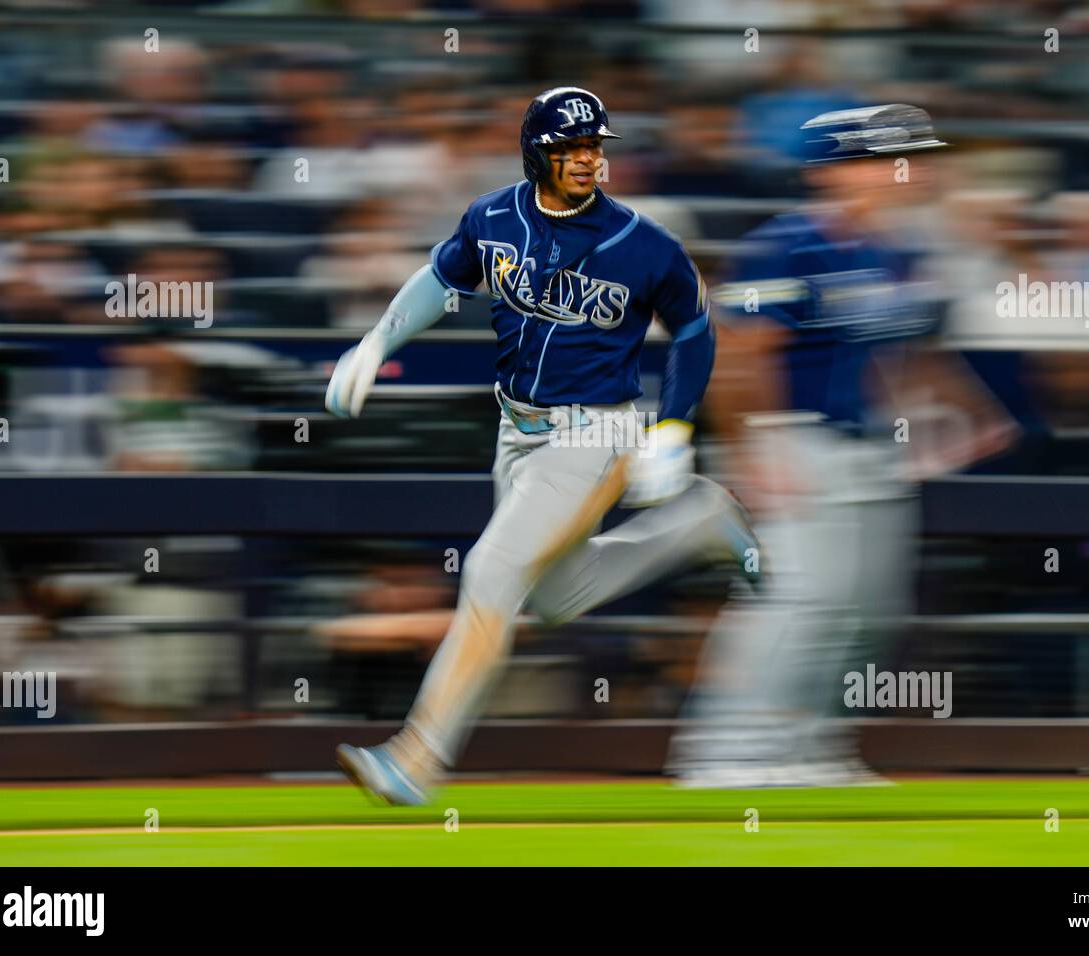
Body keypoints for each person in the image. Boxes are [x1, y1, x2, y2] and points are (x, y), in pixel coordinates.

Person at [326, 87, 756, 805]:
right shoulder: (492, 215)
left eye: (594, 146)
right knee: (556, 595)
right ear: (537, 152)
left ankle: (418, 755)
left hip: (598, 432)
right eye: (570, 148)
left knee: (492, 572)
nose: (586, 159)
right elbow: (442, 278)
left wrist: (676, 425)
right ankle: (698, 523)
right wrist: (378, 340)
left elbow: (693, 329)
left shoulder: (644, 244)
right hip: (517, 430)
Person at [668, 104, 1016, 788]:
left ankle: (810, 747)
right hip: (791, 438)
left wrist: (974, 415)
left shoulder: (903, 250)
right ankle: (728, 752)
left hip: (865, 446)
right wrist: (753, 451)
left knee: (868, 610)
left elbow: (914, 349)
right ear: (840, 173)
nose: (911, 170)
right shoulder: (786, 243)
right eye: (891, 158)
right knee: (799, 600)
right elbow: (737, 354)